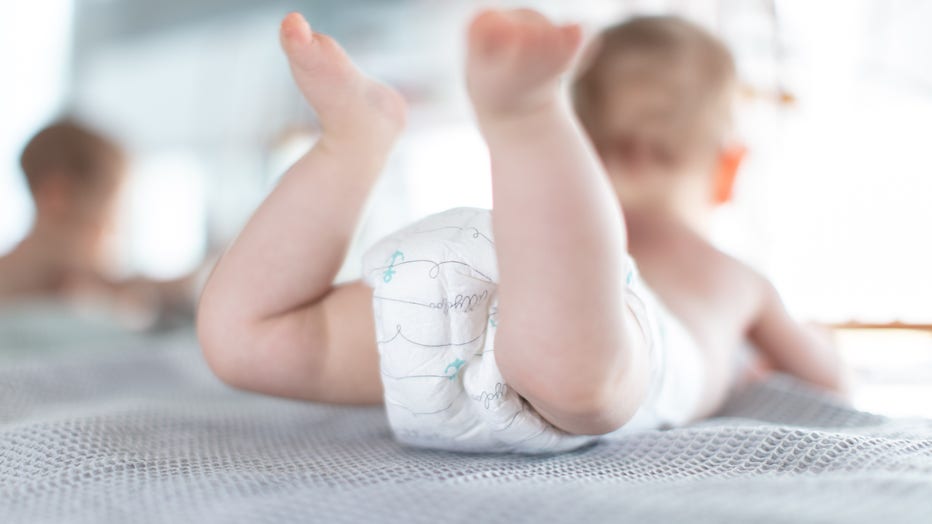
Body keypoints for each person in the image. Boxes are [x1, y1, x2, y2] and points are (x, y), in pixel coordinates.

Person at [197, 9, 846, 453]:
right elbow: (829, 383)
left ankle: (352, 146)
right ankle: (527, 117)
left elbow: (546, 244)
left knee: (248, 339)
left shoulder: (548, 232)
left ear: (580, 153)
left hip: (483, 272)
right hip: (604, 330)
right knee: (579, 384)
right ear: (728, 168)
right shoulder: (736, 278)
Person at [0, 120, 195, 326]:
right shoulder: (39, 274)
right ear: (56, 196)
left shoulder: (71, 286)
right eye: (107, 217)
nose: (113, 231)